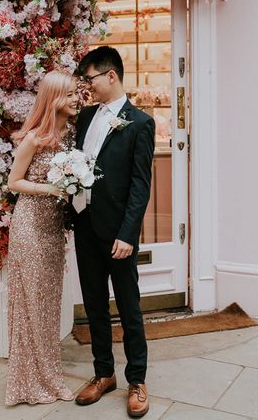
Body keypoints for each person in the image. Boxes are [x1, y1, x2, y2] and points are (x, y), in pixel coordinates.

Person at [73, 46, 155, 418]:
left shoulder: (139, 122)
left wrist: (128, 233)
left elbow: (140, 185)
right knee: (94, 302)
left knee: (128, 305)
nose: (86, 86)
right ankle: (103, 373)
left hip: (118, 232)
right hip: (85, 224)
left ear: (111, 76)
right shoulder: (85, 117)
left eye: (89, 78)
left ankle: (136, 379)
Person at [5, 70, 78, 405]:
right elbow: (13, 182)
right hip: (30, 227)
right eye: (70, 94)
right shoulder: (34, 138)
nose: (77, 99)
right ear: (54, 100)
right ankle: (36, 382)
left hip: (53, 230)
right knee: (32, 306)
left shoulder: (72, 136)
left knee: (49, 307)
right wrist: (50, 188)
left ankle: (49, 377)